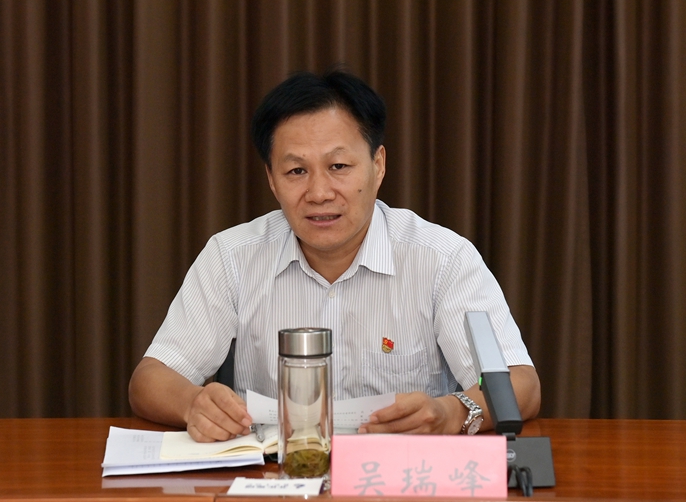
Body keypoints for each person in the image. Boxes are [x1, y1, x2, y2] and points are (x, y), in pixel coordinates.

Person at [129, 68, 541, 443]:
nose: (319, 192)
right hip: (276, 479)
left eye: (339, 166)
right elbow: (150, 379)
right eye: (296, 171)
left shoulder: (442, 259)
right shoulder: (232, 256)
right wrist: (192, 404)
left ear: (378, 165)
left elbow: (521, 385)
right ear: (271, 179)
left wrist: (452, 413)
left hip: (398, 481)